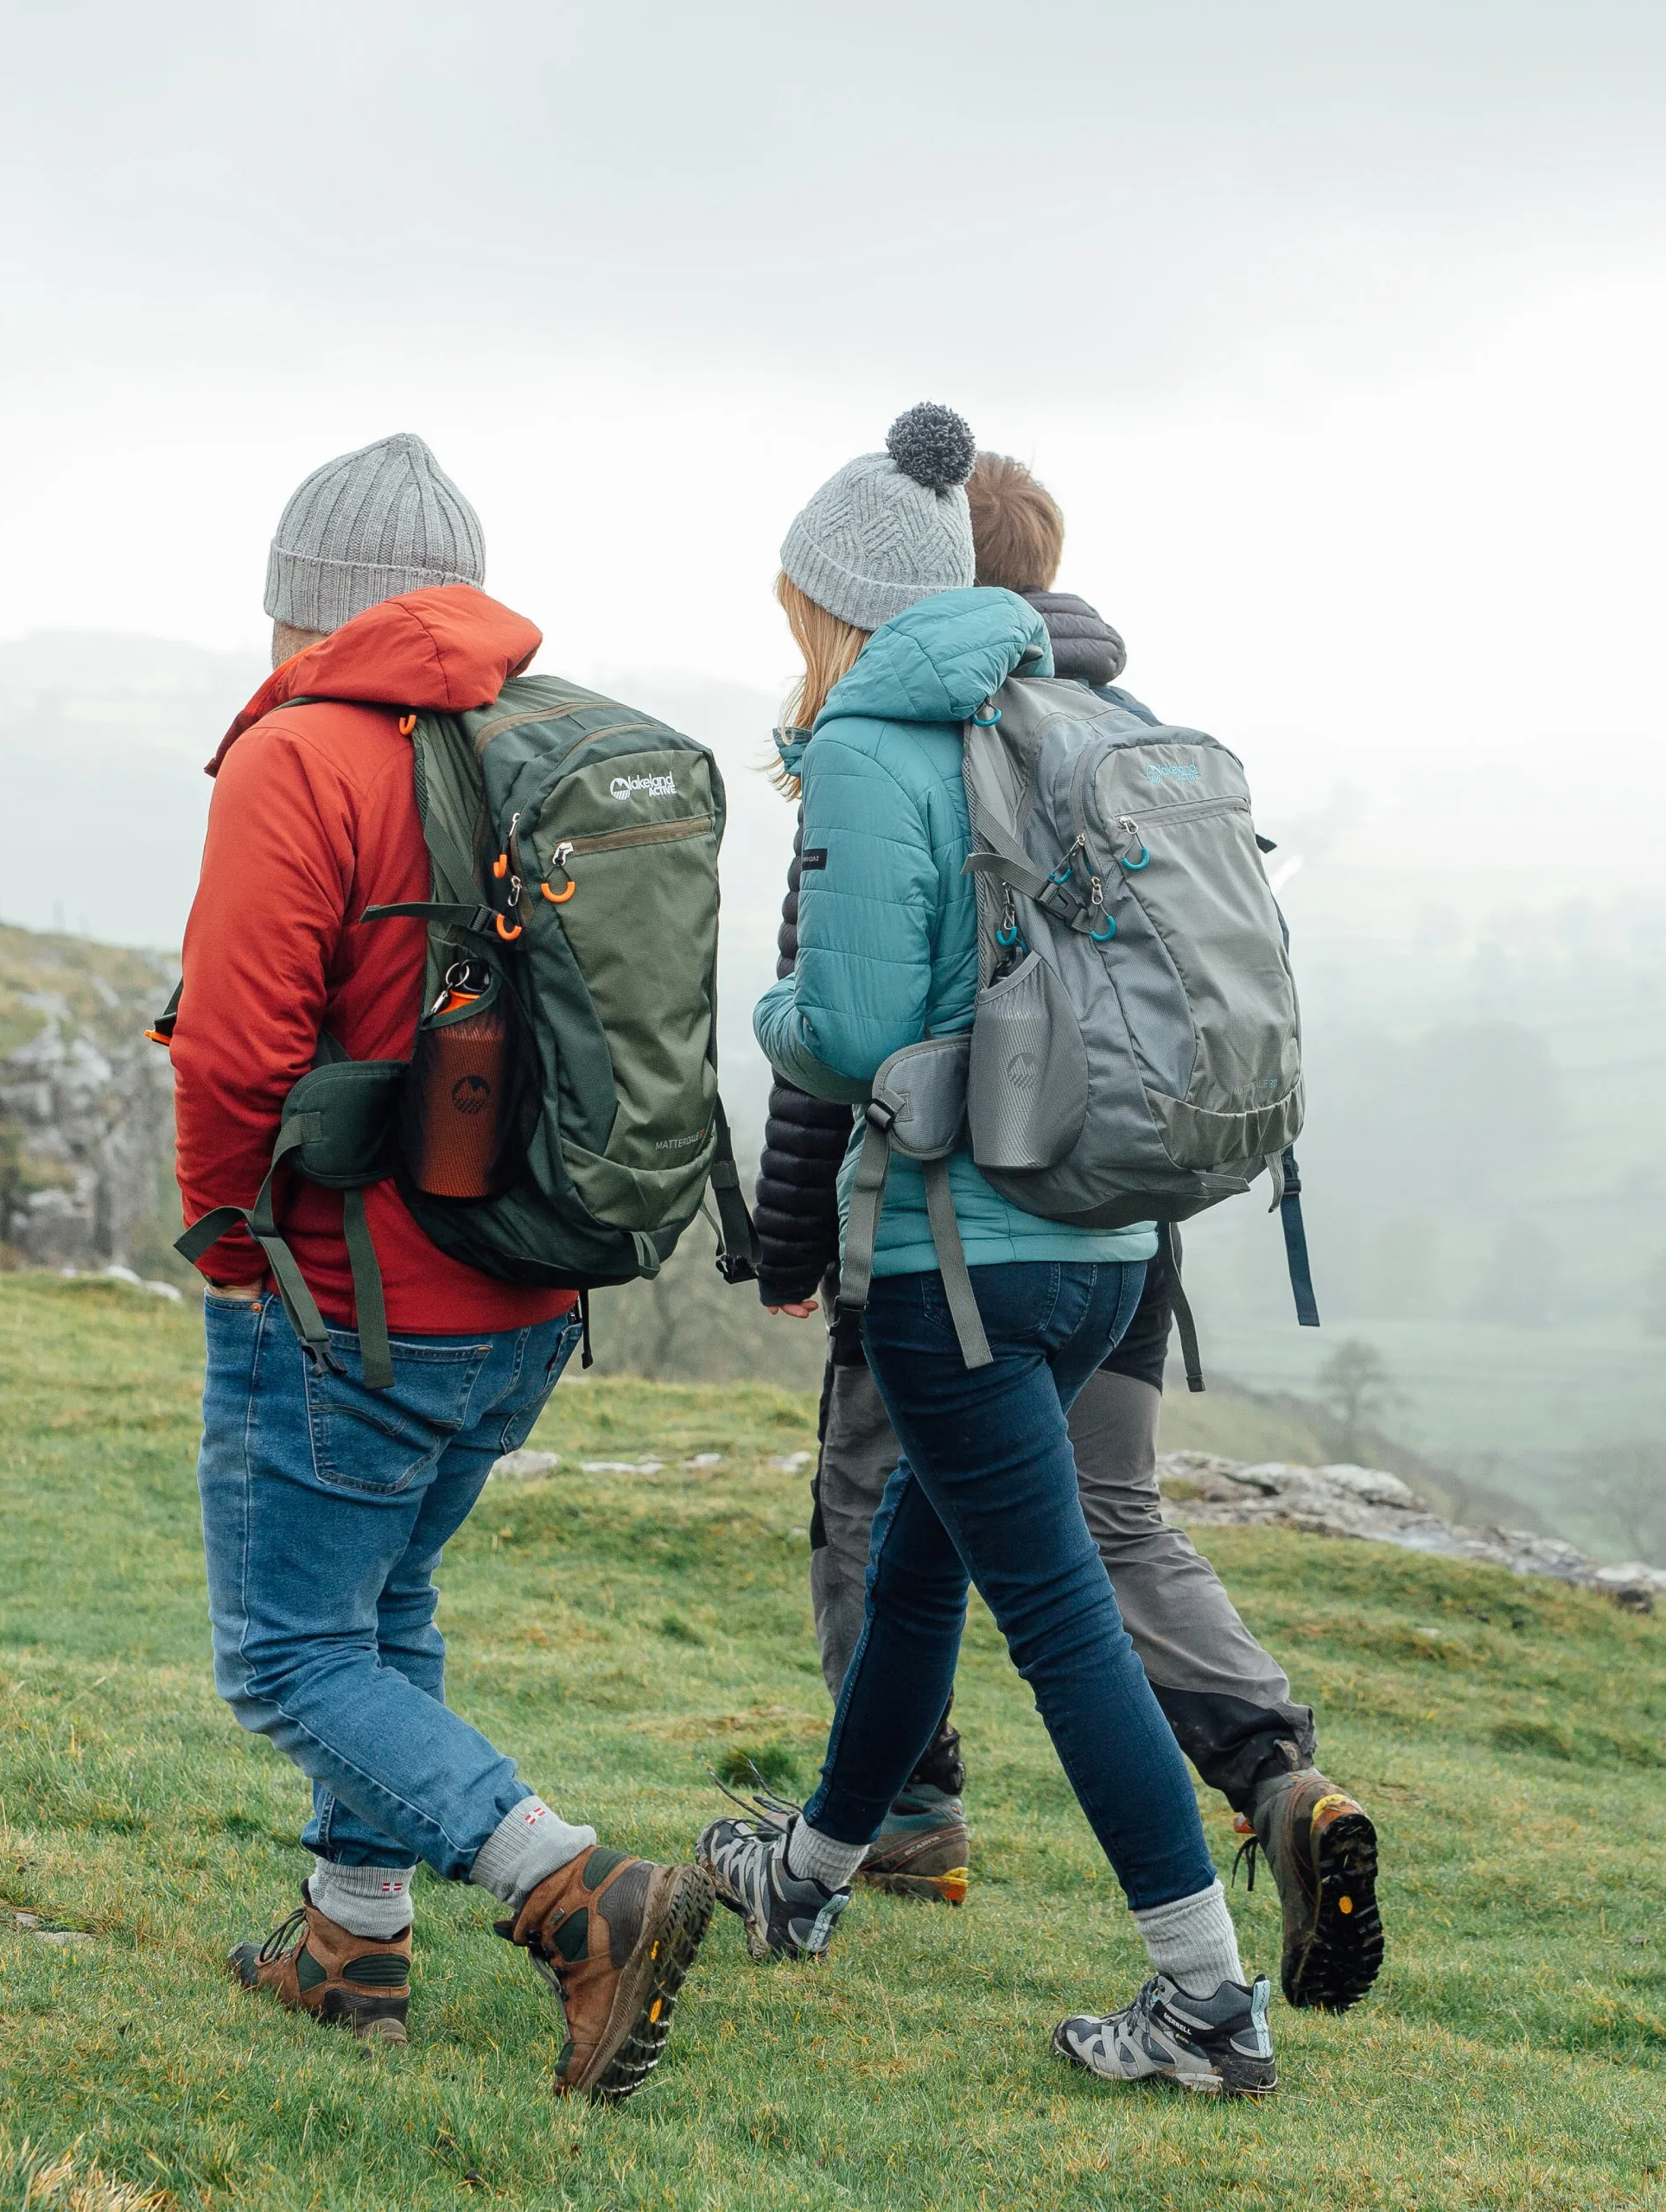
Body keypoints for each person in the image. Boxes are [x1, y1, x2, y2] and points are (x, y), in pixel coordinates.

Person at [750, 450, 1383, 2017]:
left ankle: (1205, 2001)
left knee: (1052, 1620)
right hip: (1117, 1255)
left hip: (957, 1265)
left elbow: (849, 1030)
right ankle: (813, 1874)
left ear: (836, 602)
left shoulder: (876, 744)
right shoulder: (1085, 717)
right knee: (925, 1577)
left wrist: (775, 1019)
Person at [172, 431, 711, 2101]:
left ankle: (569, 1888)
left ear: (299, 609)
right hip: (532, 1295)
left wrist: (221, 1234)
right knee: (384, 1603)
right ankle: (350, 1939)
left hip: (352, 1293)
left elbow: (237, 1052)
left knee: (288, 1650)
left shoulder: (306, 756)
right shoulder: (531, 745)